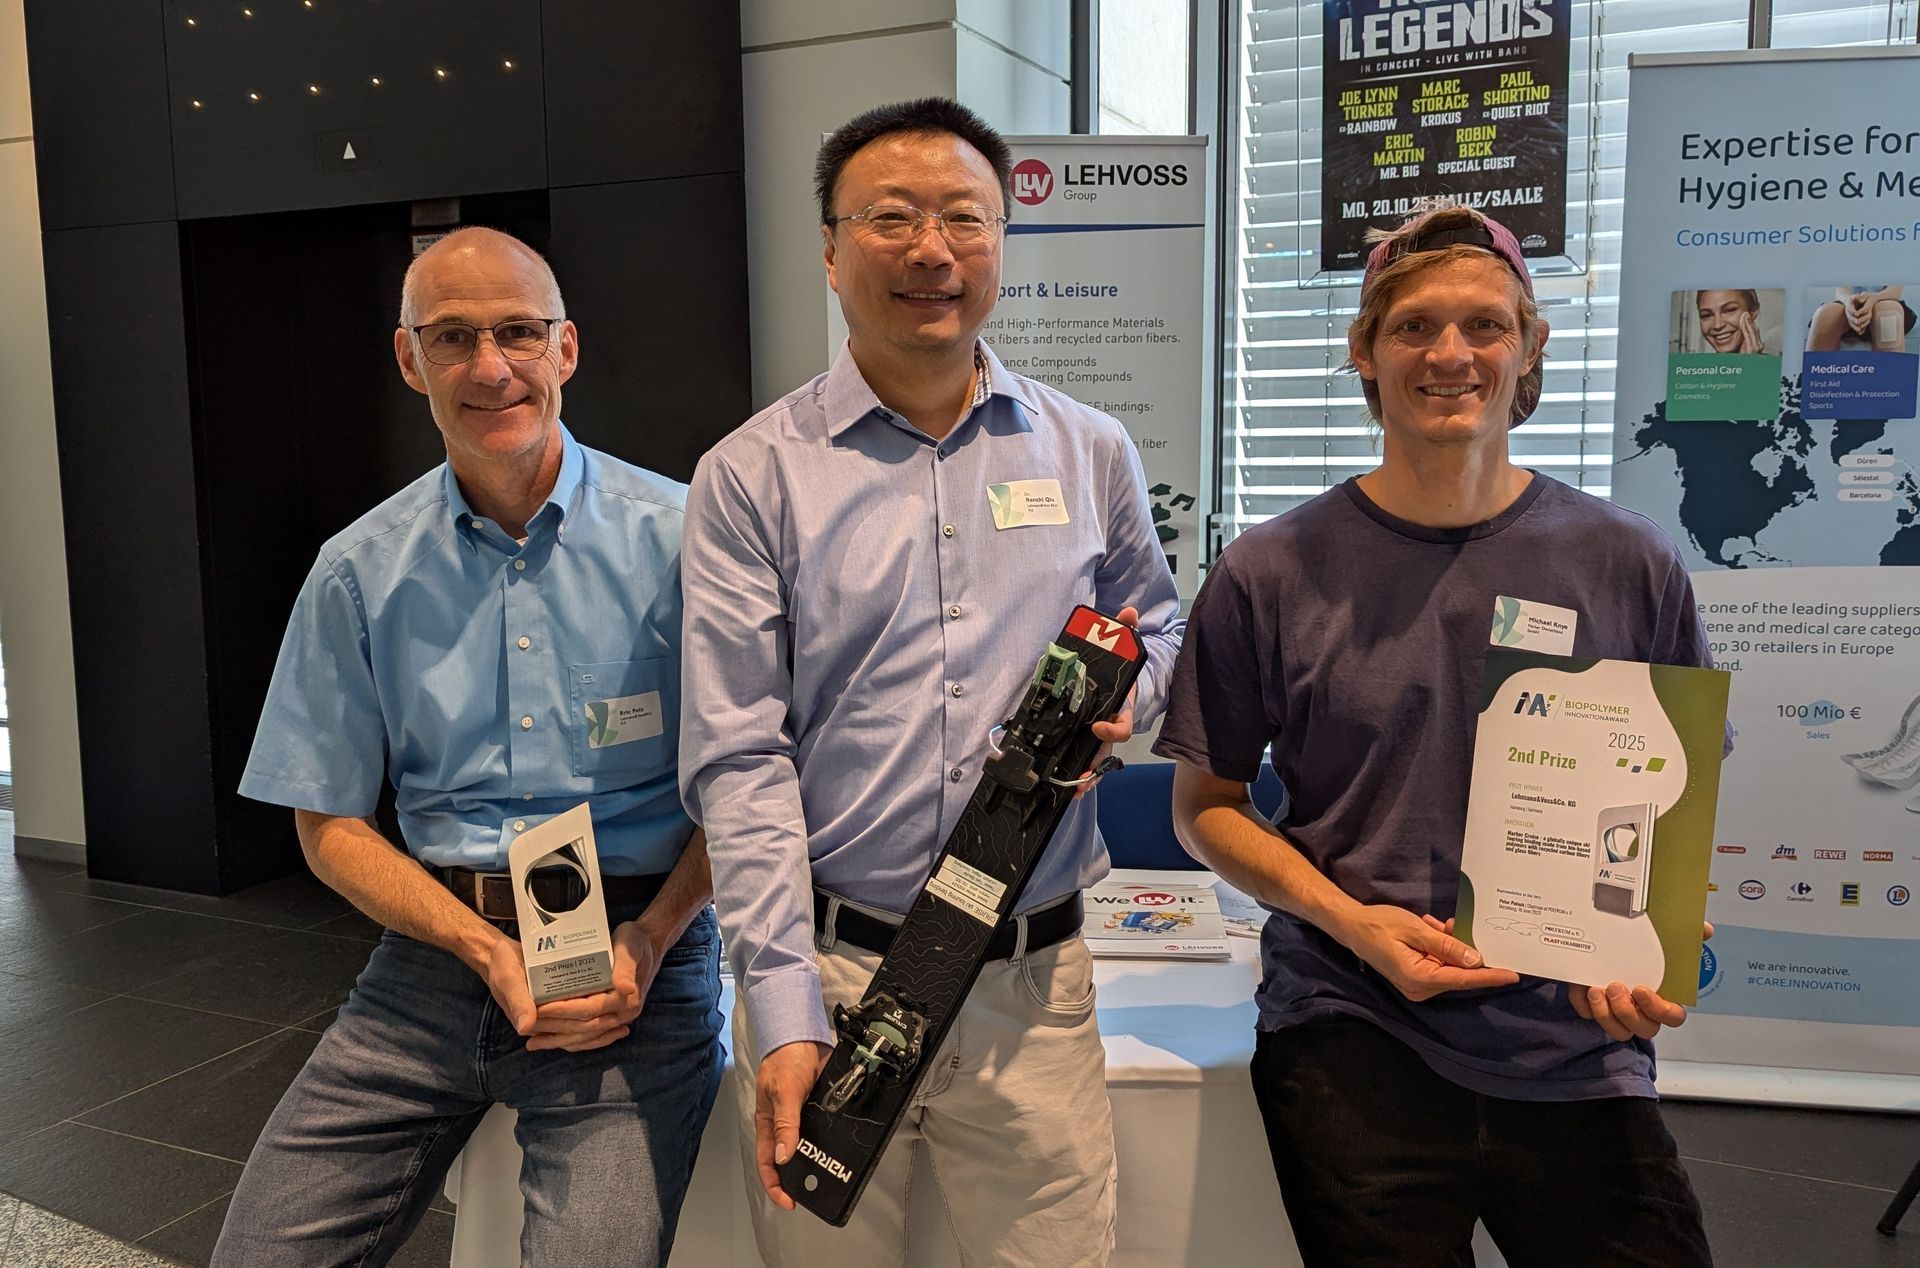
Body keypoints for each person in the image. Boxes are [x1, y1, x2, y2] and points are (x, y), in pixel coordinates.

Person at [1156, 203, 1716, 1267]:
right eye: (1413, 326)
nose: (1450, 354)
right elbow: (1206, 809)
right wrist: (1355, 923)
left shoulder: (1628, 562)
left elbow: (1674, 804)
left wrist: (1655, 945)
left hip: (1574, 1040)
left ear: (1529, 347)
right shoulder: (1271, 571)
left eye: (1484, 325)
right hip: (1353, 1024)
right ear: (1365, 352)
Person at [679, 97, 1183, 1268]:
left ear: (1001, 240)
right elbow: (742, 757)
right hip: (834, 975)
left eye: (965, 218)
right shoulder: (752, 476)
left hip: (1031, 982)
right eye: (890, 218)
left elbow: (1158, 622)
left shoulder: (1089, 449)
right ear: (830, 248)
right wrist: (782, 1007)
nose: (931, 250)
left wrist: (1134, 696)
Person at [216, 228, 722, 1267]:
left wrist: (654, 937)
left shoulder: (684, 543)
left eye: (518, 332)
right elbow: (327, 824)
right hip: (429, 970)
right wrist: (484, 950)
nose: (491, 367)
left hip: (632, 969)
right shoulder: (357, 571)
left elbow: (749, 785)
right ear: (411, 360)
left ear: (565, 348)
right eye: (452, 337)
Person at [1808, 284, 1913, 353]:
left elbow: (1895, 291)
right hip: (1847, 302)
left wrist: (1874, 298)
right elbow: (1841, 290)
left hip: (1885, 299)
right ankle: (1818, 379)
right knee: (1825, 315)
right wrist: (1849, 302)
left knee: (1888, 315)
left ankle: (1891, 379)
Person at [1693, 287, 1766, 354]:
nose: (1717, 325)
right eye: (1706, 315)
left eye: (1729, 310)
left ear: (1753, 310)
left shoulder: (1772, 363)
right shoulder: (1694, 364)